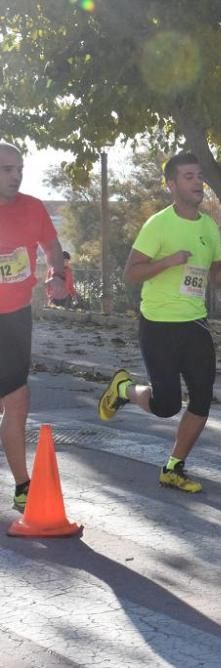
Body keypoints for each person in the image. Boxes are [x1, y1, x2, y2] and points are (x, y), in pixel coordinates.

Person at [97, 152, 221, 493]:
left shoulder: (209, 226)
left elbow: (217, 279)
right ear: (172, 185)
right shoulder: (158, 225)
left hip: (195, 323)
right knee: (166, 405)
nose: (198, 182)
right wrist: (169, 262)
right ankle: (123, 389)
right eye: (189, 176)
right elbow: (131, 273)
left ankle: (174, 466)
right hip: (158, 324)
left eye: (199, 176)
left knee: (202, 398)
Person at [0, 141, 68, 511]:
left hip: (16, 318)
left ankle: (23, 486)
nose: (15, 176)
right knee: (12, 400)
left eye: (19, 169)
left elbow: (52, 247)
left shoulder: (33, 208)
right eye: (6, 169)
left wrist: (57, 274)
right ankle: (23, 482)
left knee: (17, 399)